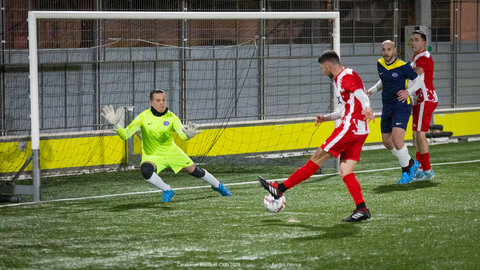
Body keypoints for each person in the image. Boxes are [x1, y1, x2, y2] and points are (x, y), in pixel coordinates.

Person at [259, 50, 375, 222]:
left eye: (322, 68)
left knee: (317, 156)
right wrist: (326, 118)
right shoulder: (341, 78)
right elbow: (346, 109)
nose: (322, 72)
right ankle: (362, 209)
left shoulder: (346, 75)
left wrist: (367, 107)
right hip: (359, 130)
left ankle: (280, 188)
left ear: (328, 65)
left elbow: (361, 94)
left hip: (350, 128)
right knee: (345, 170)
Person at [101, 89, 232, 202]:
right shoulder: (142, 117)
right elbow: (125, 135)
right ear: (151, 102)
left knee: (197, 172)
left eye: (163, 100)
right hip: (152, 155)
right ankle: (167, 190)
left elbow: (183, 135)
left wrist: (189, 135)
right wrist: (115, 124)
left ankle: (218, 186)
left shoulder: (172, 117)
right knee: (146, 171)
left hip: (172, 152)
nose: (161, 103)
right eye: (158, 100)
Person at [367, 40, 424, 184]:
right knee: (387, 142)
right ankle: (411, 162)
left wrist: (408, 92)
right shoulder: (380, 62)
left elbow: (419, 81)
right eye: (384, 49)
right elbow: (383, 80)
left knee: (398, 140)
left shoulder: (403, 66)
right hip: (387, 106)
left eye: (389, 49)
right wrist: (372, 90)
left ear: (395, 50)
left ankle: (406, 171)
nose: (386, 52)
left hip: (401, 106)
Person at [408, 31, 438, 181]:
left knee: (420, 134)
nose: (413, 42)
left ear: (424, 43)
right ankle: (420, 168)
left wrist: (400, 71)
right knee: (416, 134)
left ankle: (427, 170)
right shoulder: (417, 57)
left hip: (425, 98)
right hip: (419, 99)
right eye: (412, 40)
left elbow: (416, 74)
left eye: (417, 40)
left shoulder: (424, 57)